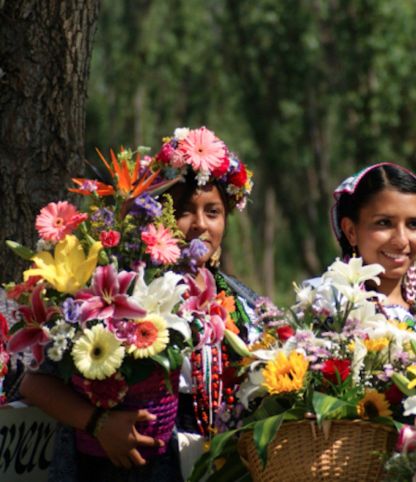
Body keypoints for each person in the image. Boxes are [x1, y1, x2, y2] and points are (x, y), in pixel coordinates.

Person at [19, 127, 258, 481]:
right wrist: (98, 423)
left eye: (213, 212)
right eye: (183, 210)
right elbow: (33, 384)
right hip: (119, 466)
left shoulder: (243, 303)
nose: (199, 226)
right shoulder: (118, 285)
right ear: (158, 215)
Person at [330, 162, 416, 342]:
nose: (401, 241)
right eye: (384, 223)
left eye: (413, 224)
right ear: (351, 231)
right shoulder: (327, 311)